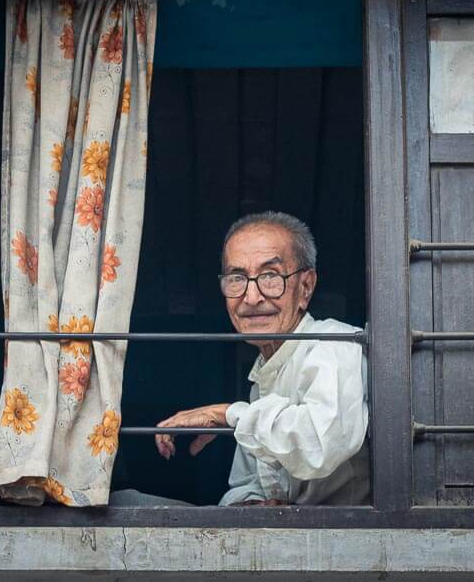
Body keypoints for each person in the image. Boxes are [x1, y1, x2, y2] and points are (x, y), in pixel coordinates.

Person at [153, 211, 369, 506]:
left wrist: (227, 414)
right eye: (237, 278)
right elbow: (247, 484)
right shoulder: (261, 382)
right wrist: (253, 503)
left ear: (305, 287)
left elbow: (319, 445)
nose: (251, 297)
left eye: (270, 276)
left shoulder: (335, 344)